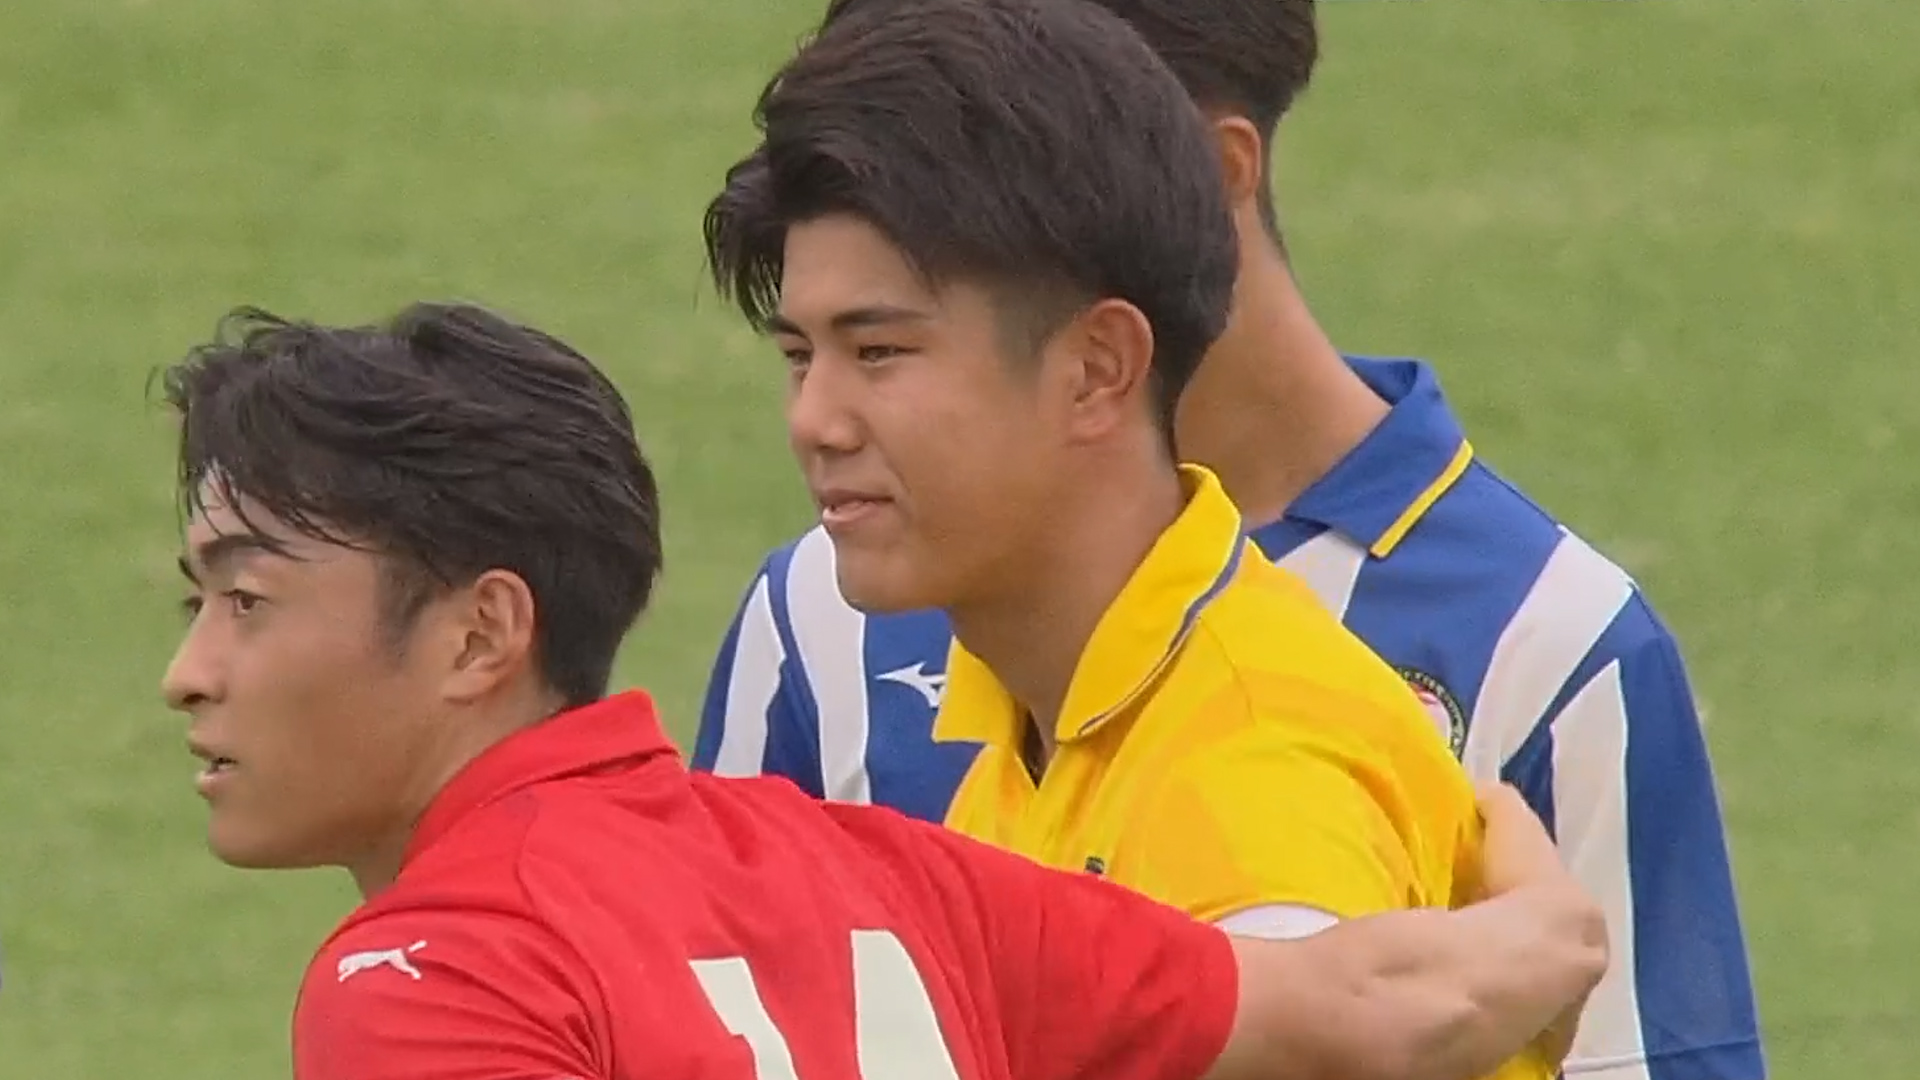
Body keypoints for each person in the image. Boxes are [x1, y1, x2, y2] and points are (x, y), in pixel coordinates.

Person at [693, 2, 1763, 1078]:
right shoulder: (1027, 717)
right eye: (799, 356)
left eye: (877, 352)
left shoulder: (1256, 768)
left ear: (1100, 365)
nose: (813, 421)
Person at [158, 299, 1604, 1080]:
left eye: (246, 602)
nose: (190, 674)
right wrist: (1548, 923)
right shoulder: (894, 881)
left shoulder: (425, 983)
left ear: (482, 637)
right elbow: (1365, 1012)